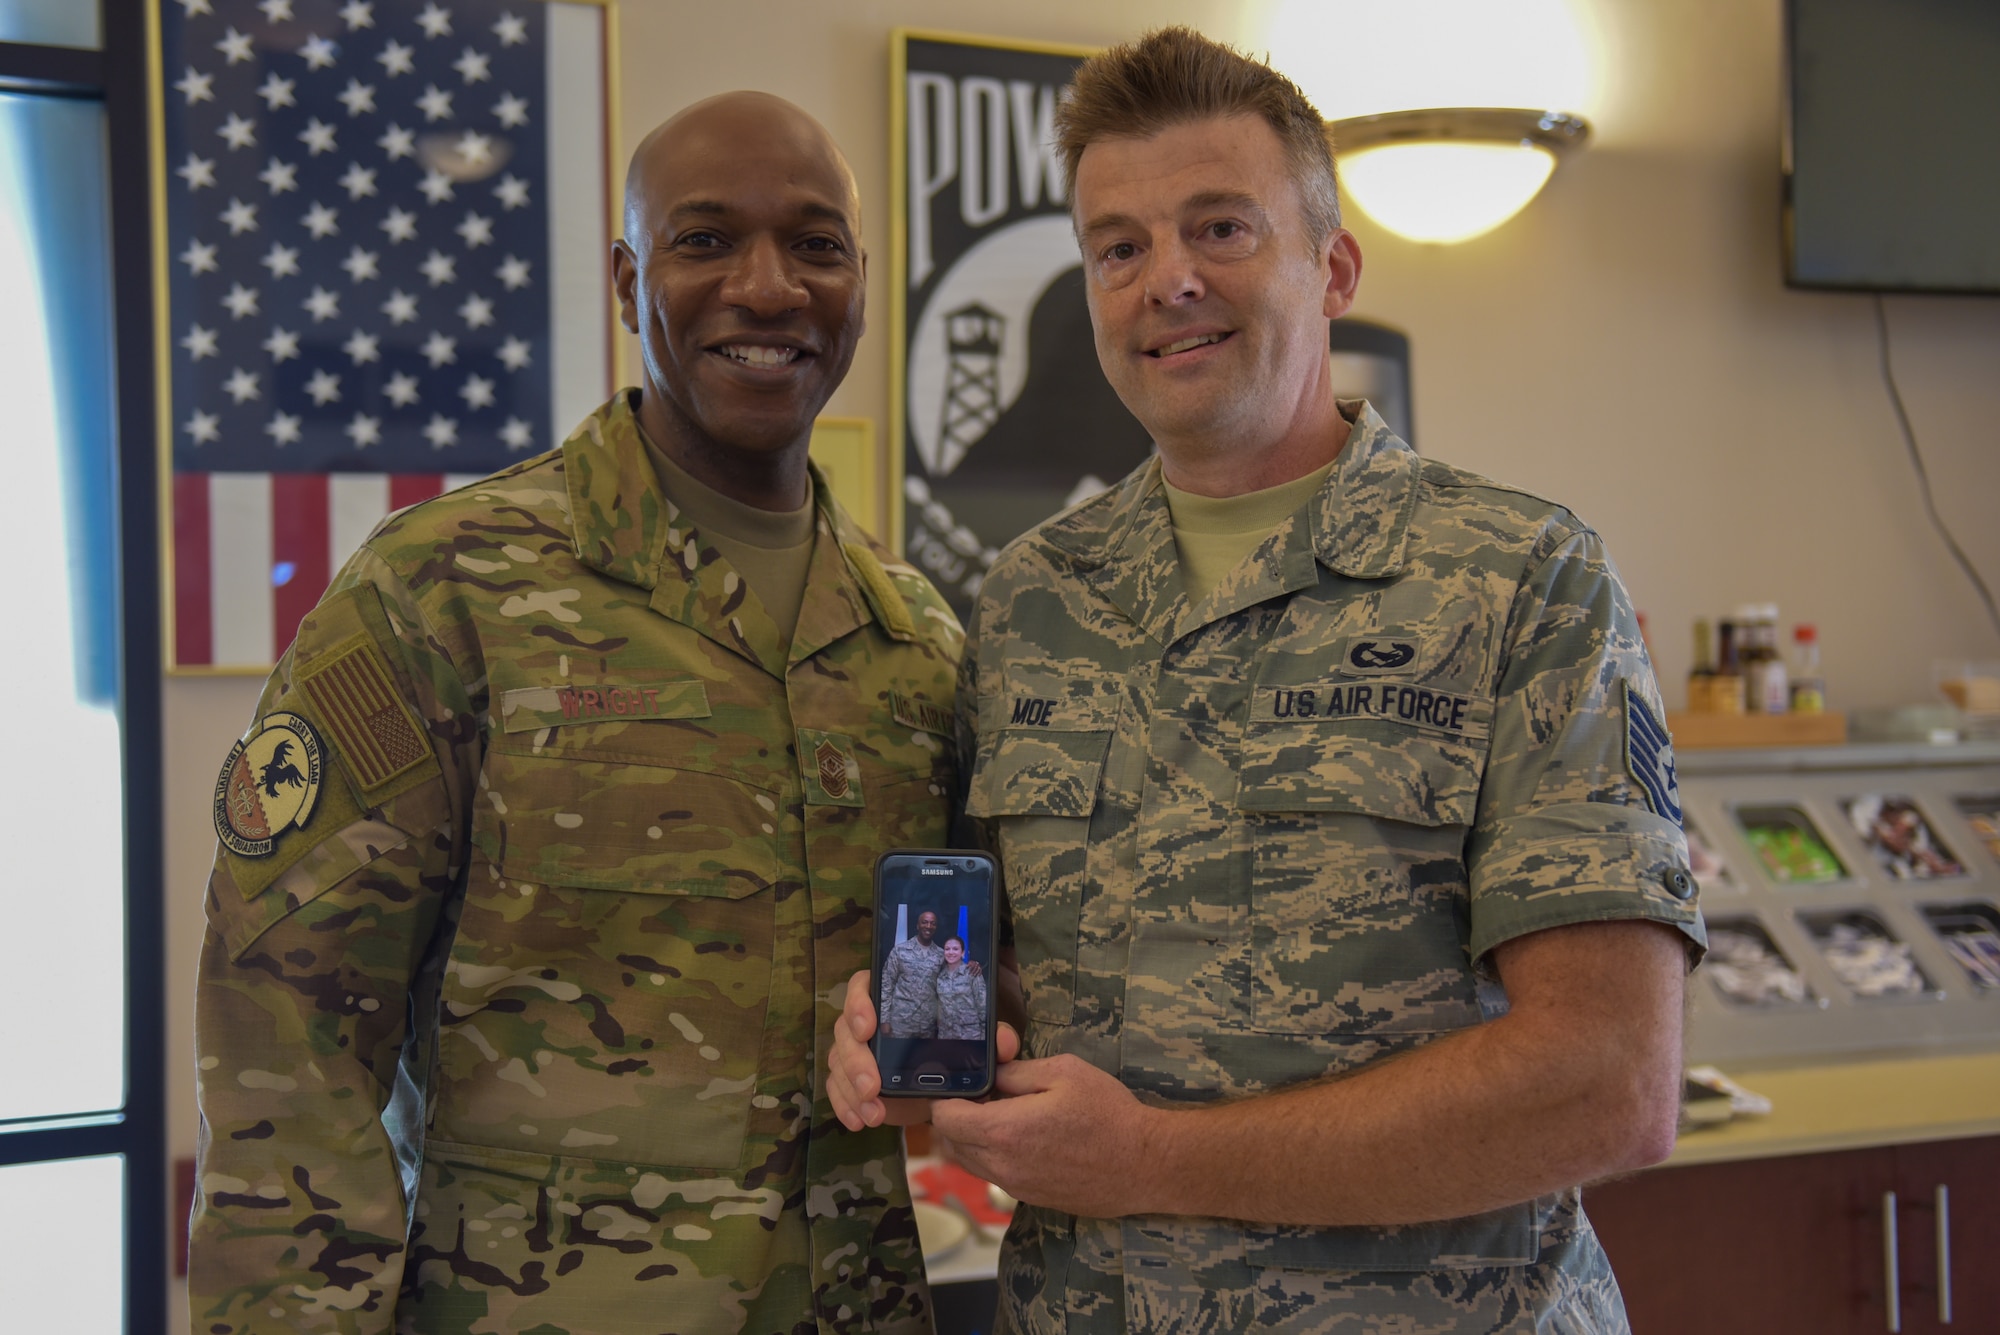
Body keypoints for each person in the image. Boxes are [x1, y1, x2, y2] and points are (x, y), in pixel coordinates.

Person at [830, 27, 1705, 1333]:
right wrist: (917, 1038)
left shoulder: (1517, 575)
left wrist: (1158, 1158)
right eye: (1119, 247)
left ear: (1332, 265)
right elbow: (1022, 976)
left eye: (1221, 229)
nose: (1166, 279)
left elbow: (1610, 1080)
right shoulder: (1030, 598)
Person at [189, 91, 962, 1334]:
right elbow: (289, 1038)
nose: (767, 290)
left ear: (861, 283)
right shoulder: (442, 591)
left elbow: (952, 993)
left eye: (814, 246)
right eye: (704, 240)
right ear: (624, 278)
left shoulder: (914, 642)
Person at [879, 909, 947, 1037]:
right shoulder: (900, 951)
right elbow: (887, 986)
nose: (928, 926)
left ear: (936, 927)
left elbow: (948, 986)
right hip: (900, 1024)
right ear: (917, 925)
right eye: (924, 922)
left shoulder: (941, 955)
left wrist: (972, 964)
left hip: (927, 1026)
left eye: (932, 923)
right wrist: (884, 1020)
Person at [933, 937, 988, 1041]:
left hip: (970, 1034)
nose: (951, 952)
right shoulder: (940, 976)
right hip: (946, 1035)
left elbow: (982, 1005)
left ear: (962, 953)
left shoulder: (972, 973)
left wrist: (984, 1036)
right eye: (947, 949)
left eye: (955, 949)